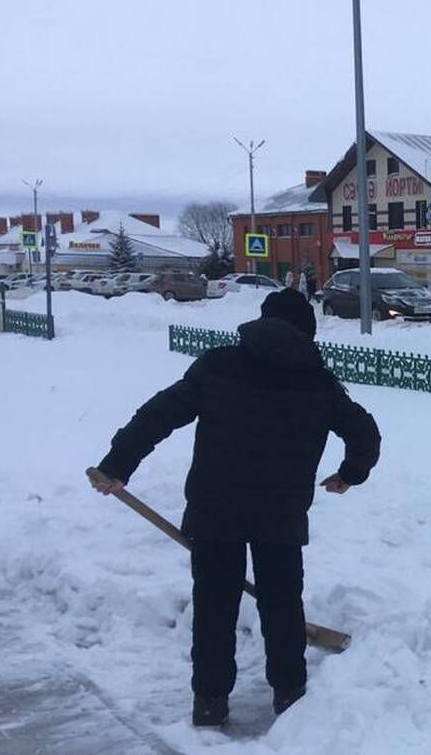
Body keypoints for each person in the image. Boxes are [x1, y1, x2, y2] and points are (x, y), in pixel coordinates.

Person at [88, 290, 380, 727]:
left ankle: (209, 702)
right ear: (307, 332)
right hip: (281, 513)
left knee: (214, 606)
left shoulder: (219, 365)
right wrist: (349, 475)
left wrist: (118, 465)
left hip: (213, 508)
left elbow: (159, 415)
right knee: (282, 604)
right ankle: (289, 694)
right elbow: (366, 435)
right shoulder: (318, 381)